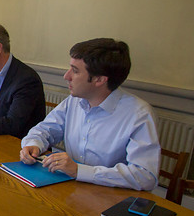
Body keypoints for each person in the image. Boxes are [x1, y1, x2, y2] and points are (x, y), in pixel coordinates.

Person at [20, 38, 160, 190]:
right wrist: (33, 145)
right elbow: (43, 130)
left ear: (99, 79)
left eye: (75, 70)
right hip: (69, 190)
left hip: (109, 199)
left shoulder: (139, 115)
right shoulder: (73, 101)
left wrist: (79, 171)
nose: (66, 76)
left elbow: (145, 176)